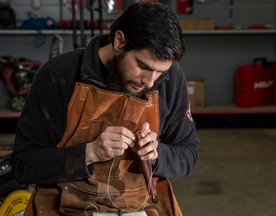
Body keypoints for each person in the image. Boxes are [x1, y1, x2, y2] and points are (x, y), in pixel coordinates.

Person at [11, 2, 199, 216]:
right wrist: (90, 152)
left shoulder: (171, 78)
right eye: (143, 66)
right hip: (66, 206)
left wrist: (157, 154)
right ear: (119, 41)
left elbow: (189, 154)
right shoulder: (59, 75)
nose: (150, 82)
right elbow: (23, 165)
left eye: (159, 72)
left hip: (140, 205)